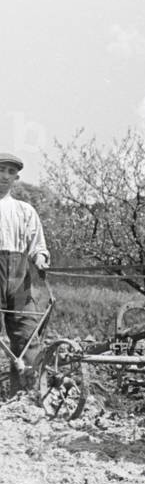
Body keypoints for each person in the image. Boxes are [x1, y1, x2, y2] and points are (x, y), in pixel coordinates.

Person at [0, 153, 49, 392]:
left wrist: (40, 258)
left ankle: (26, 396)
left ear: (16, 178)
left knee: (27, 334)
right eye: (1, 170)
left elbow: (38, 247)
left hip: (19, 276)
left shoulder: (25, 210)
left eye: (10, 172)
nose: (4, 176)